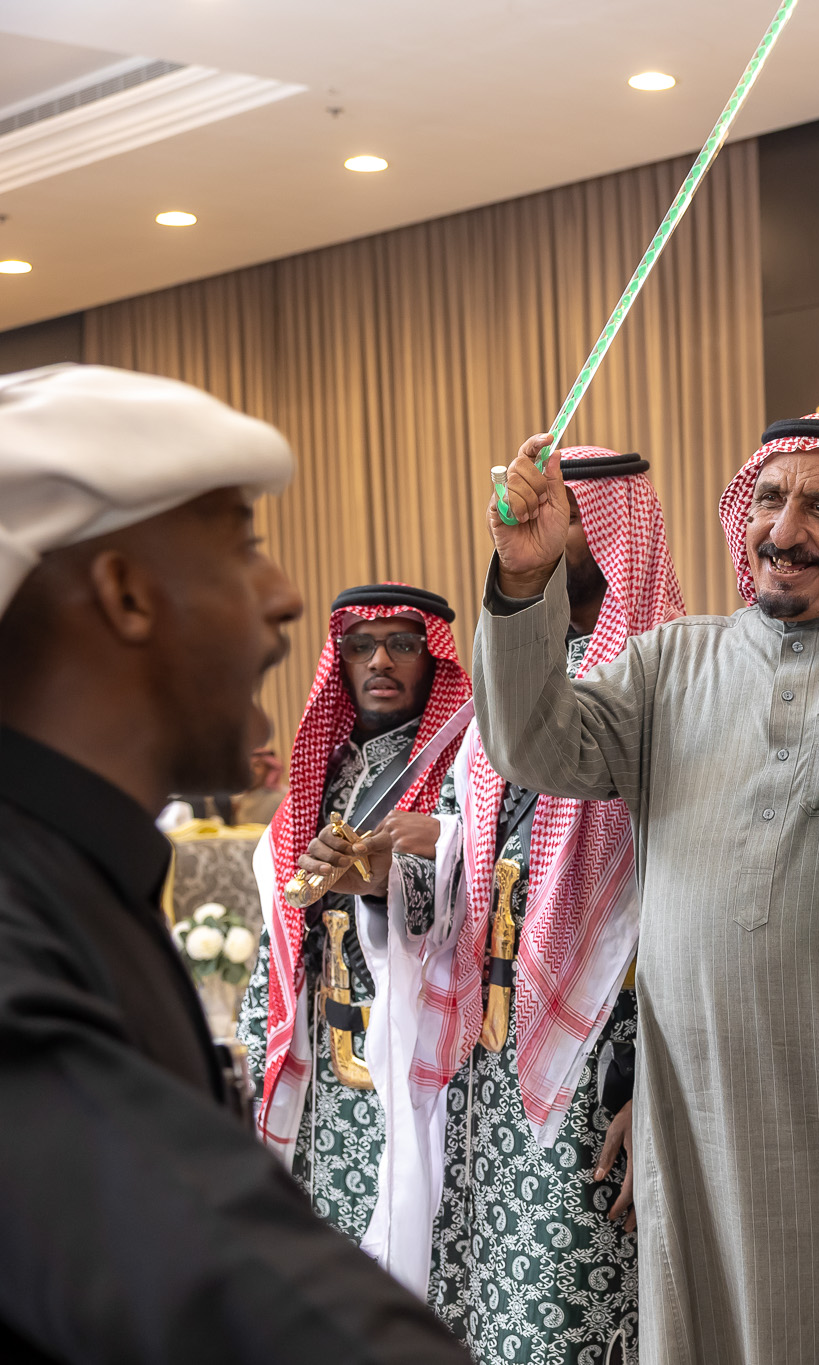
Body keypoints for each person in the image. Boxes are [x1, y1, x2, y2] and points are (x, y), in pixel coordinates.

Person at [0, 361, 466, 1360]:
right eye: (241, 546)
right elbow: (189, 1253)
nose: (285, 597)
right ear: (127, 595)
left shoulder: (81, 869)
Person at [476, 413, 819, 1364]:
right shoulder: (670, 663)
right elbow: (533, 744)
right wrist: (524, 578)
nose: (785, 530)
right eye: (770, 499)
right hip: (685, 1102)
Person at [333, 447, 684, 1360]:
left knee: (573, 1311)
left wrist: (656, 1090)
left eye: (574, 517)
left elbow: (694, 907)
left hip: (604, 1068)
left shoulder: (672, 681)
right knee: (486, 1312)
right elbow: (471, 866)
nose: (552, 531)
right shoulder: (512, 682)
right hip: (491, 1061)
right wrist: (381, 873)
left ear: (621, 534)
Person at [239, 581, 472, 1244]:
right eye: (361, 646)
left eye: (402, 645)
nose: (380, 661)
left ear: (434, 658)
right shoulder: (327, 769)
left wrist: (387, 873)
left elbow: (480, 890)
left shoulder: (467, 767)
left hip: (418, 1048)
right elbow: (285, 923)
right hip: (325, 1049)